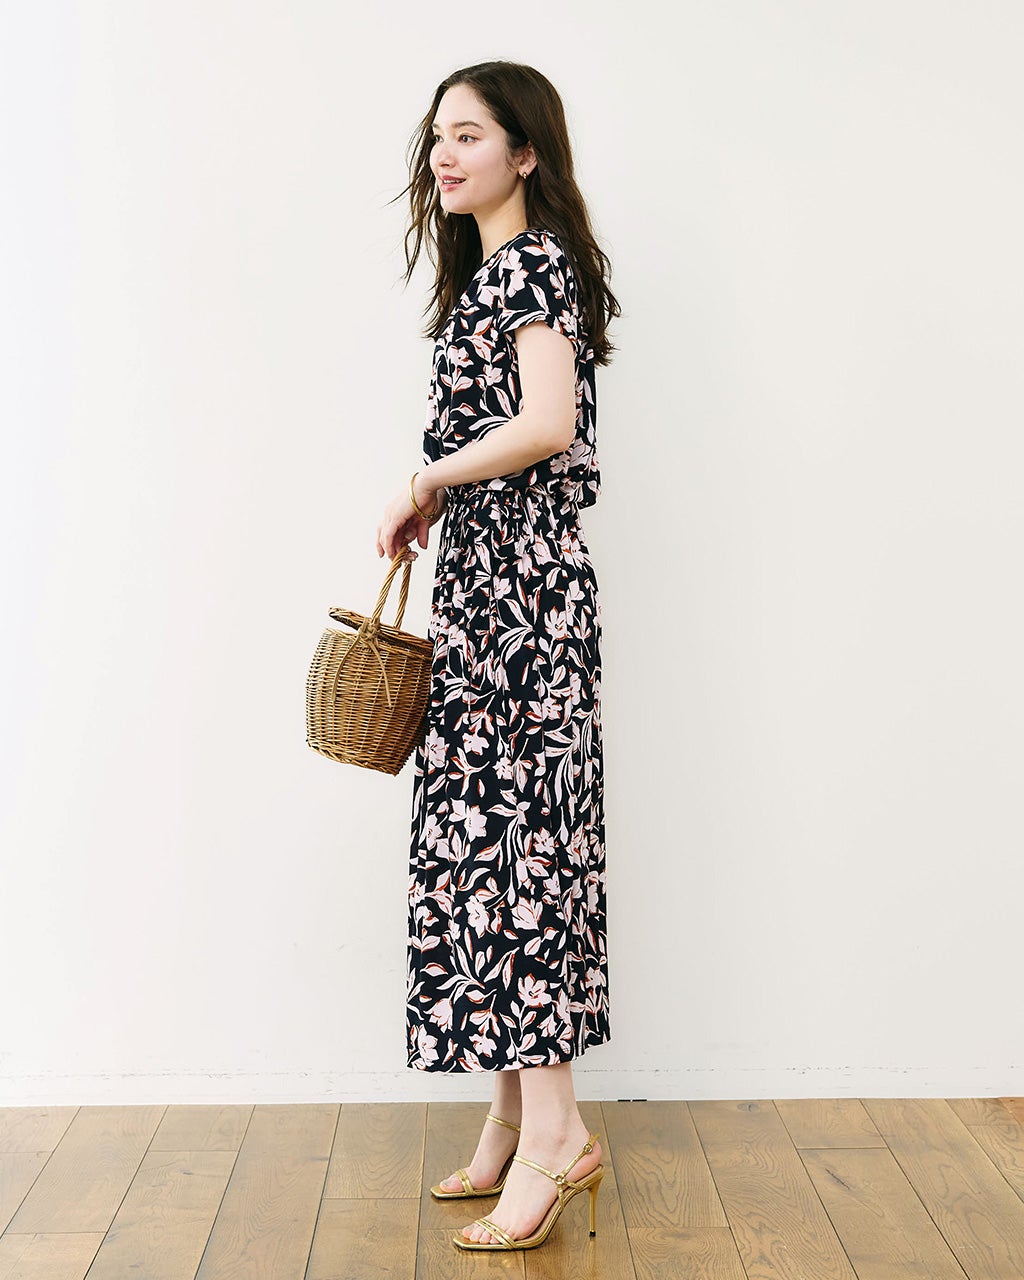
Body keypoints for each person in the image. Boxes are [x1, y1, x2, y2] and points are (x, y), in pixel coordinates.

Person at [375, 59, 620, 1253]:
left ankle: (555, 1132)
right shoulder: (492, 272)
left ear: (526, 153)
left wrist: (427, 476)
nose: (444, 154)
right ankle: (512, 1112)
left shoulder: (532, 266)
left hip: (523, 600)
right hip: (492, 589)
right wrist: (446, 497)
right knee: (485, 846)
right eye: (438, 136)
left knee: (520, 854)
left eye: (468, 134)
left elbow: (547, 423)